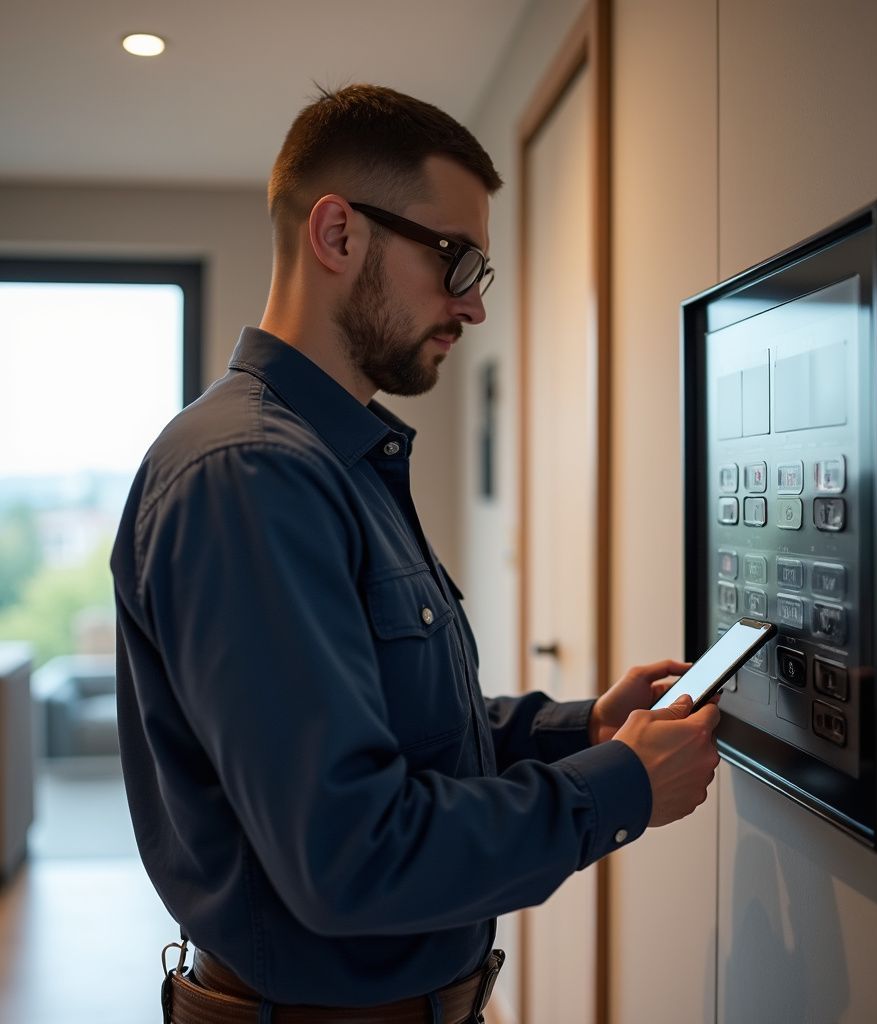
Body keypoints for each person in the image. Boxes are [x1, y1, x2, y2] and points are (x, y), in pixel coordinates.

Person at [111, 84, 721, 1024]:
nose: (472, 307)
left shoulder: (332, 459)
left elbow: (383, 725)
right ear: (338, 235)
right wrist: (621, 787)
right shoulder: (250, 476)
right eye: (458, 261)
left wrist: (578, 731)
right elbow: (352, 857)